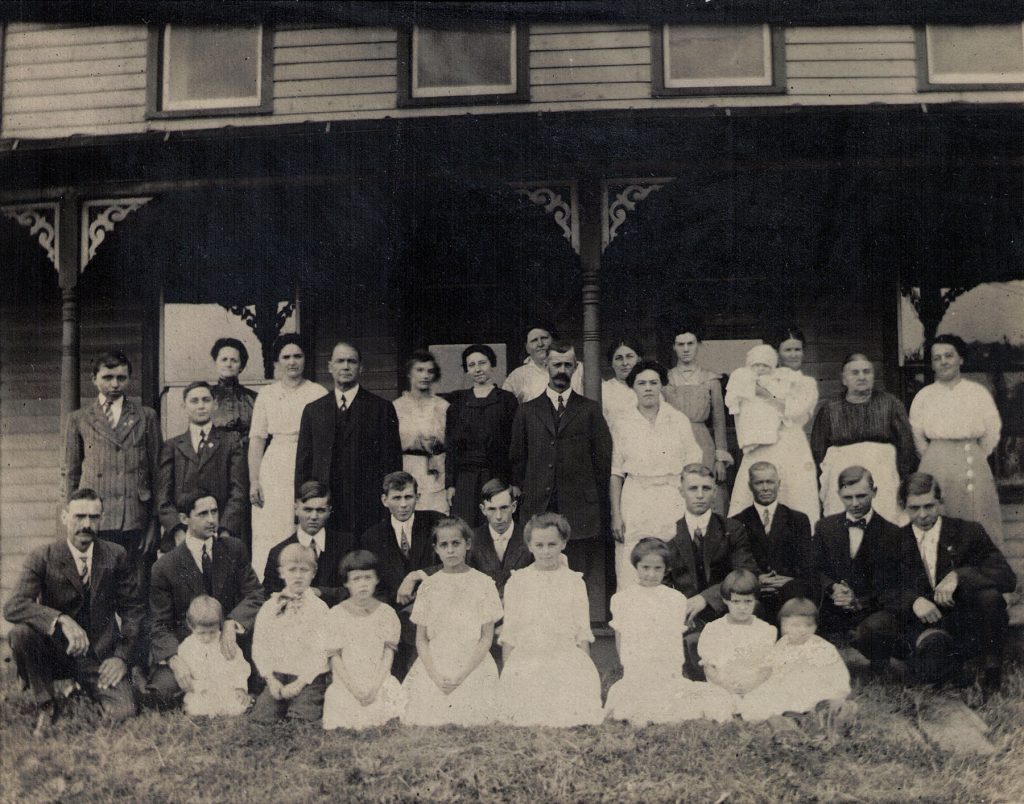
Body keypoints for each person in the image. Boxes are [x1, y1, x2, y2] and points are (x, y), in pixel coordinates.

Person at [4, 489, 143, 732]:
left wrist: (121, 657)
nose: (86, 525)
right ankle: (46, 704)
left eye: (93, 517)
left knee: (124, 711)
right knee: (21, 633)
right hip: (55, 653)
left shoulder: (115, 555)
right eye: (79, 516)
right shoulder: (43, 556)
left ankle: (80, 688)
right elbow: (13, 606)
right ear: (65, 517)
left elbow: (133, 611)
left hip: (98, 656)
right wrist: (60, 619)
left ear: (101, 519)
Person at [890, 472, 1015, 691]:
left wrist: (958, 575)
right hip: (921, 621)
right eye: (914, 508)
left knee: (990, 597)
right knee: (929, 669)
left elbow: (1005, 575)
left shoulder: (968, 532)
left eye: (929, 506)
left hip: (963, 618)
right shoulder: (893, 540)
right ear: (902, 505)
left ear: (941, 501)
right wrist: (914, 601)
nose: (922, 515)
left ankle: (992, 670)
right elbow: (883, 587)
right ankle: (934, 662)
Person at [509, 340, 612, 598]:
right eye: (557, 364)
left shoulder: (590, 410)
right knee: (538, 580)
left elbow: (602, 461)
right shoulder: (527, 411)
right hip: (539, 505)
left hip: (579, 509)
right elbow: (517, 459)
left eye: (568, 365)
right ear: (546, 366)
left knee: (576, 578)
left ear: (576, 367)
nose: (562, 370)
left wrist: (594, 501)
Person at [147, 492, 264, 709]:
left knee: (260, 681)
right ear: (184, 519)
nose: (212, 520)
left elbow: (255, 593)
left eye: (214, 512)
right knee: (162, 693)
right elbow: (159, 623)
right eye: (203, 514)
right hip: (189, 647)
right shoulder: (165, 566)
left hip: (230, 647)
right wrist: (175, 660)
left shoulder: (234, 549)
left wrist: (231, 623)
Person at [603, 539, 735, 726]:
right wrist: (629, 668)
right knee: (632, 701)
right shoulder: (622, 599)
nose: (651, 574)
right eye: (645, 567)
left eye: (658, 568)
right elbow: (622, 637)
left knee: (678, 700)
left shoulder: (674, 599)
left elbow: (673, 641)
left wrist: (670, 670)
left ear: (666, 569)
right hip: (637, 669)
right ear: (636, 566)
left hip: (666, 669)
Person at [62, 350, 162, 584]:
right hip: (96, 520)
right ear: (94, 379)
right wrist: (72, 519)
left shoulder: (146, 417)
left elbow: (158, 473)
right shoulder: (79, 419)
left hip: (135, 521)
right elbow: (70, 473)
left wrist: (153, 524)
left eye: (121, 378)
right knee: (99, 590)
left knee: (137, 592)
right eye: (108, 377)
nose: (115, 384)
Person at [497, 513, 604, 727]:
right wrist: (508, 673)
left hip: (563, 654)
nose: (546, 551)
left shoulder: (574, 581)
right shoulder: (518, 581)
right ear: (529, 545)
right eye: (539, 545)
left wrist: (584, 672)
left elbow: (582, 631)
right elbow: (510, 632)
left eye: (552, 544)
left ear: (563, 543)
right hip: (529, 655)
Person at [609, 360, 702, 590]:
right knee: (633, 555)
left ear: (662, 386)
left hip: (671, 496)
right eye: (641, 383)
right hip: (636, 496)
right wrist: (616, 515)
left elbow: (693, 465)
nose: (648, 388)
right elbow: (615, 472)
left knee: (672, 553)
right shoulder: (621, 423)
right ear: (633, 387)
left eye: (653, 382)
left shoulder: (678, 420)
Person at [295, 340, 402, 538]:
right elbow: (303, 464)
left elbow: (392, 464)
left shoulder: (381, 408)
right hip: (325, 503)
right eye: (340, 361)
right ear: (330, 367)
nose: (345, 366)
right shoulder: (313, 410)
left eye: (351, 361)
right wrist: (302, 507)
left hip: (367, 504)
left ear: (361, 367)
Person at [401, 518, 503, 726]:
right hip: (436, 660)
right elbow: (421, 639)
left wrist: (463, 674)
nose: (450, 550)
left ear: (467, 544)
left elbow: (486, 638)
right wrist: (434, 675)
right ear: (436, 549)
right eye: (444, 545)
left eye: (456, 543)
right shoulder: (429, 586)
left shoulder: (483, 583)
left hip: (472, 661)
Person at [664, 464, 758, 679]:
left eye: (706, 489)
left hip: (726, 609)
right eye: (692, 488)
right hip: (687, 615)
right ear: (681, 492)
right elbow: (662, 583)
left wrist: (706, 598)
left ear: (715, 492)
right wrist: (679, 608)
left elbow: (747, 572)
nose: (699, 495)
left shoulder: (732, 529)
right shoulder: (669, 532)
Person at [909, 334, 1004, 548]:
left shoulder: (977, 393)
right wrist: (935, 455)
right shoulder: (924, 396)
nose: (943, 361)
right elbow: (916, 434)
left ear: (960, 359)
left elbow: (992, 430)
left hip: (971, 459)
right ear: (932, 364)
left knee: (976, 514)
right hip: (936, 461)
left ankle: (980, 574)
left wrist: (975, 453)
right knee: (938, 512)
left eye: (949, 356)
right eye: (937, 358)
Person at [248, 334, 328, 579]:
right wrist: (254, 481)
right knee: (272, 527)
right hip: (274, 465)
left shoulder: (317, 392)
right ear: (277, 362)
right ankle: (269, 582)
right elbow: (257, 439)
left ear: (305, 359)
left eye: (298, 356)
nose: (292, 362)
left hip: (308, 462)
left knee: (303, 522)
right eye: (286, 357)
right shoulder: (267, 394)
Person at [812, 466, 903, 674]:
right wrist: (832, 587)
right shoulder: (825, 527)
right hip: (833, 604)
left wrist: (859, 601)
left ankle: (879, 662)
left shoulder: (892, 534)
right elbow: (814, 568)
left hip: (870, 607)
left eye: (861, 496)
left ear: (875, 492)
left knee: (875, 629)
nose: (854, 504)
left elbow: (891, 583)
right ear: (838, 495)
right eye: (847, 497)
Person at [729, 327, 820, 525]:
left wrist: (765, 395)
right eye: (788, 350)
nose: (794, 354)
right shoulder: (760, 376)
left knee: (795, 497)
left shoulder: (807, 383)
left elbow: (795, 409)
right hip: (762, 443)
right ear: (777, 353)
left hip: (792, 444)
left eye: (798, 349)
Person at [358, 472, 445, 677]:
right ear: (384, 500)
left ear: (418, 497)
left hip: (435, 613)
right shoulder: (371, 537)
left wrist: (417, 574)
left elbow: (455, 562)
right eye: (397, 498)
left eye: (408, 497)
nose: (404, 504)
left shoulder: (437, 522)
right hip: (394, 616)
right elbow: (373, 587)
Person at [811, 353, 916, 525]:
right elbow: (818, 450)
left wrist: (904, 479)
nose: (862, 377)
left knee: (884, 523)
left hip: (883, 475)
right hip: (841, 476)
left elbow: (906, 445)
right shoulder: (830, 409)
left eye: (867, 372)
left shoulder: (890, 404)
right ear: (844, 379)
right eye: (855, 373)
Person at [158, 381, 247, 548]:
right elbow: (163, 495)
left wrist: (225, 529)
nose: (201, 406)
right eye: (194, 401)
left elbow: (238, 491)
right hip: (183, 534)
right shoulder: (172, 446)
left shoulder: (230, 441)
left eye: (206, 400)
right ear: (184, 406)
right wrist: (177, 530)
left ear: (214, 404)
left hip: (220, 531)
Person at [322, 550, 405, 730]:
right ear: (346, 582)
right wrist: (354, 688)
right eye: (357, 579)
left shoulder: (386, 613)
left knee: (389, 697)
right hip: (348, 681)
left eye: (368, 578)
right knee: (343, 705)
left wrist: (375, 686)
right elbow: (334, 657)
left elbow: (387, 655)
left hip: (378, 678)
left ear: (377, 579)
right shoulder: (336, 614)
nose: (363, 584)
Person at [250, 544, 330, 722]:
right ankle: (274, 705)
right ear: (281, 572)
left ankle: (301, 708)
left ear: (313, 573)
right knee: (263, 718)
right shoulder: (271, 606)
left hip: (309, 677)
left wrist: (301, 682)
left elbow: (322, 651)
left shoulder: (319, 608)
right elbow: (260, 645)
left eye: (304, 570)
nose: (298, 575)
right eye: (292, 569)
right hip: (278, 674)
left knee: (301, 717)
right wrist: (270, 680)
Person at [738, 598, 851, 722]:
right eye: (795, 625)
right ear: (783, 626)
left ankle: (824, 713)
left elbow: (838, 674)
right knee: (762, 699)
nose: (803, 630)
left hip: (814, 690)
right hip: (788, 691)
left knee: (827, 702)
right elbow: (768, 670)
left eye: (809, 625)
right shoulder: (781, 646)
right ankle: (788, 720)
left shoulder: (822, 647)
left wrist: (838, 694)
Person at [730, 462, 817, 623]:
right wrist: (757, 579)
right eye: (759, 483)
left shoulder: (798, 519)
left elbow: (806, 561)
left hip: (789, 588)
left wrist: (789, 580)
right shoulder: (737, 521)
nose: (765, 488)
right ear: (750, 486)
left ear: (779, 484)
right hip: (755, 588)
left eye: (770, 482)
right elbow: (738, 563)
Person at [444, 344, 519, 526]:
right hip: (466, 479)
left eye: (482, 363)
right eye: (471, 365)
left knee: (496, 523)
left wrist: (514, 481)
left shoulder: (507, 400)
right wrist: (451, 484)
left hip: (498, 476)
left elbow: (516, 443)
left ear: (492, 365)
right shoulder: (458, 402)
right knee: (466, 526)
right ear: (467, 370)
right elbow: (451, 446)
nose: (477, 369)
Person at [662, 324, 732, 515]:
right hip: (673, 441)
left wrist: (720, 457)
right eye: (680, 344)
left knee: (704, 492)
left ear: (698, 346)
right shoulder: (666, 379)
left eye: (690, 344)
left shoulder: (710, 379)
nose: (685, 349)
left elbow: (719, 421)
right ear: (674, 347)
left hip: (703, 442)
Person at [262, 481, 349, 607]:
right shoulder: (278, 551)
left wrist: (320, 592)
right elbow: (269, 595)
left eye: (320, 510)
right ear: (296, 509)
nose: (313, 516)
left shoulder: (346, 544)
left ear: (329, 511)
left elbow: (353, 588)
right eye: (307, 510)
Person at [697, 570, 777, 702]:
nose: (742, 607)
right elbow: (709, 667)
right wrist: (725, 685)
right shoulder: (714, 629)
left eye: (747, 601)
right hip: (722, 685)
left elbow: (766, 669)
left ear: (755, 600)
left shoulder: (764, 630)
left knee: (764, 703)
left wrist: (750, 685)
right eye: (736, 602)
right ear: (725, 600)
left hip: (754, 686)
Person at [394, 351, 450, 514]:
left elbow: (450, 441)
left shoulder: (443, 406)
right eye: (419, 370)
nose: (425, 375)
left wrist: (435, 444)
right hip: (407, 467)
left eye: (430, 371)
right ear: (409, 373)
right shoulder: (397, 407)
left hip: (436, 471)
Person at [176, 595, 251, 717]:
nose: (207, 637)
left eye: (212, 632)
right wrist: (198, 687)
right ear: (191, 625)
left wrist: (240, 687)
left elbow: (240, 667)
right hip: (201, 691)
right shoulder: (187, 647)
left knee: (237, 706)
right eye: (201, 633)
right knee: (197, 708)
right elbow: (186, 677)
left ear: (220, 624)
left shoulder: (225, 641)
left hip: (225, 688)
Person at [468, 478, 532, 598]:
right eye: (491, 509)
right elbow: (453, 564)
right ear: (483, 510)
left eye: (504, 508)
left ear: (513, 507)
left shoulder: (530, 537)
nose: (498, 516)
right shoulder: (472, 538)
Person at [502, 325, 584, 403]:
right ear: (527, 348)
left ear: (554, 341)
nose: (540, 344)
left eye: (544, 338)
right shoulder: (518, 376)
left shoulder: (580, 369)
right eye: (534, 340)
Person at [209, 337, 258, 445]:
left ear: (241, 366)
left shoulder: (254, 398)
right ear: (215, 363)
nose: (228, 364)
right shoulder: (206, 396)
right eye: (224, 359)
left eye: (234, 360)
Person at [602, 337, 642, 427]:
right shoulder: (604, 390)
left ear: (639, 359)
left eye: (629, 357)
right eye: (619, 358)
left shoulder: (648, 387)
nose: (624, 363)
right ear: (611, 363)